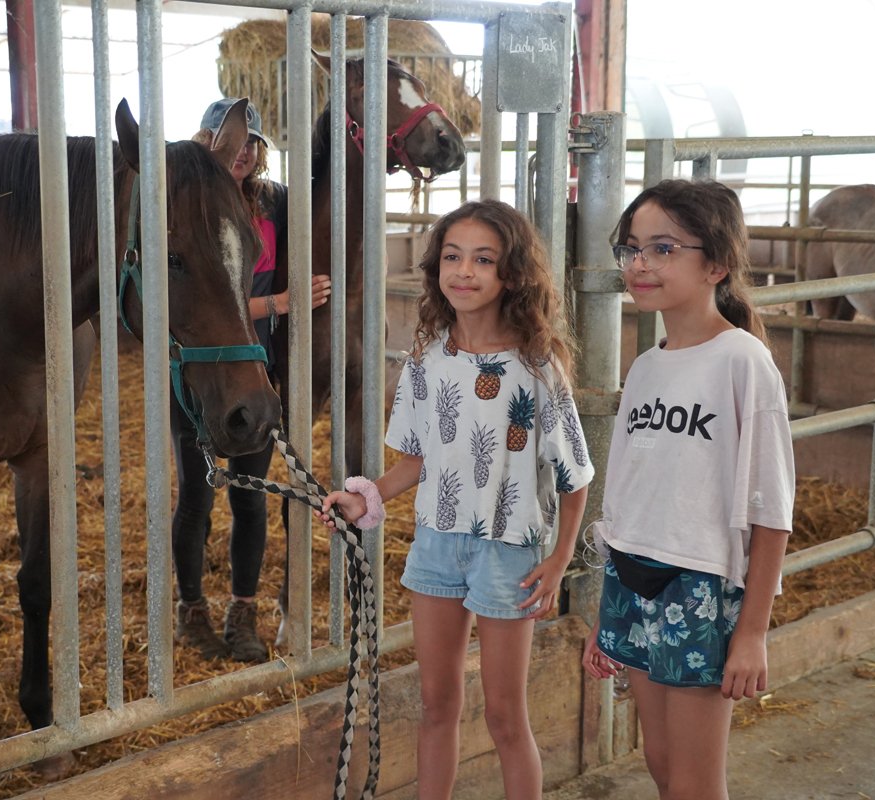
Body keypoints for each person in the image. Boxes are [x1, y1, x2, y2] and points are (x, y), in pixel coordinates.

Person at [317, 199, 593, 799]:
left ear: (511, 274)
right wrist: (367, 498)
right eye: (452, 257)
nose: (464, 271)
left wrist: (559, 558)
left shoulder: (537, 366)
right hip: (437, 543)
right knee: (436, 703)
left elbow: (574, 475)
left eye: (483, 260)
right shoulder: (428, 358)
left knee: (504, 715)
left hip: (509, 550)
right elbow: (417, 458)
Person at [582, 179, 795, 800]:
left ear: (717, 264)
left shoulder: (741, 361)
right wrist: (607, 612)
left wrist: (751, 632)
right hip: (633, 574)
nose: (640, 264)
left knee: (695, 783)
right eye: (631, 248)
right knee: (660, 760)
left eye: (664, 248)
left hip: (698, 585)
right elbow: (625, 492)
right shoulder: (647, 367)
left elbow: (771, 508)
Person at [172, 98, 331, 662]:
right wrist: (279, 303)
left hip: (254, 373)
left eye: (250, 142)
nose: (240, 151)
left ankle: (243, 613)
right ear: (206, 141)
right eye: (226, 139)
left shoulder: (275, 204)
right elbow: (201, 296)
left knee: (250, 498)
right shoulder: (189, 201)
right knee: (195, 496)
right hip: (198, 371)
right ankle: (190, 610)